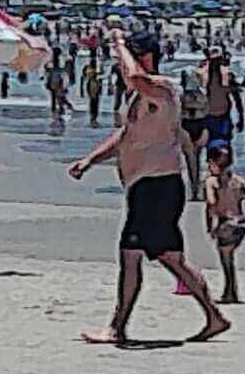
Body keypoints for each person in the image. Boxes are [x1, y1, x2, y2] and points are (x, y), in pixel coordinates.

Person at [67, 29, 228, 345]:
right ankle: (213, 316)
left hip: (159, 185)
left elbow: (136, 78)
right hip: (144, 187)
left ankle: (117, 327)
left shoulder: (163, 88)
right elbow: (126, 136)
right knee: (167, 257)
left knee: (137, 254)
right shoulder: (138, 98)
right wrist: (89, 160)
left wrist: (119, 44)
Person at [202, 143, 245, 307]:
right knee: (229, 257)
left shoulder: (211, 181)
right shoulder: (239, 180)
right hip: (241, 224)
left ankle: (231, 292)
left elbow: (211, 203)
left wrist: (210, 225)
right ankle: (230, 292)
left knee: (226, 259)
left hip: (226, 223)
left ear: (212, 162)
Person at [80, 55, 104, 127]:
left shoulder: (90, 68)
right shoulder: (91, 69)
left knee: (94, 102)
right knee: (94, 102)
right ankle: (93, 118)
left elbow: (83, 77)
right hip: (92, 86)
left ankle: (93, 118)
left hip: (94, 86)